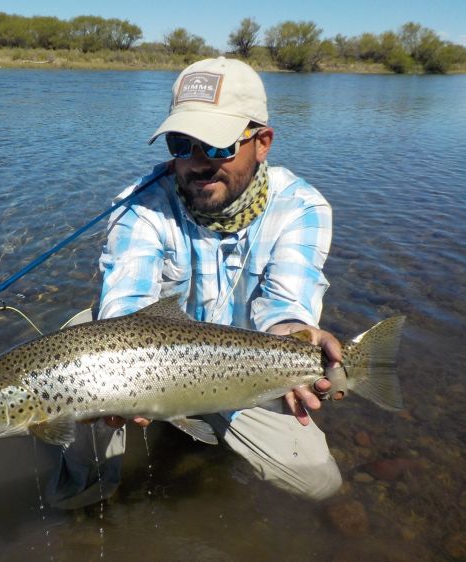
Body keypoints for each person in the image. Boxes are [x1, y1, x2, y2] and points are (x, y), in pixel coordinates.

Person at [46, 56, 343, 508]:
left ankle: (204, 436)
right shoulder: (138, 206)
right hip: (147, 369)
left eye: (218, 147)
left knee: (319, 482)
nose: (197, 163)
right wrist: (124, 387)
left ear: (262, 142)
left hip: (243, 371)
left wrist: (295, 335)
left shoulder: (302, 207)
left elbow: (286, 308)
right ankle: (85, 496)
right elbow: (125, 310)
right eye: (182, 144)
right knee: (78, 345)